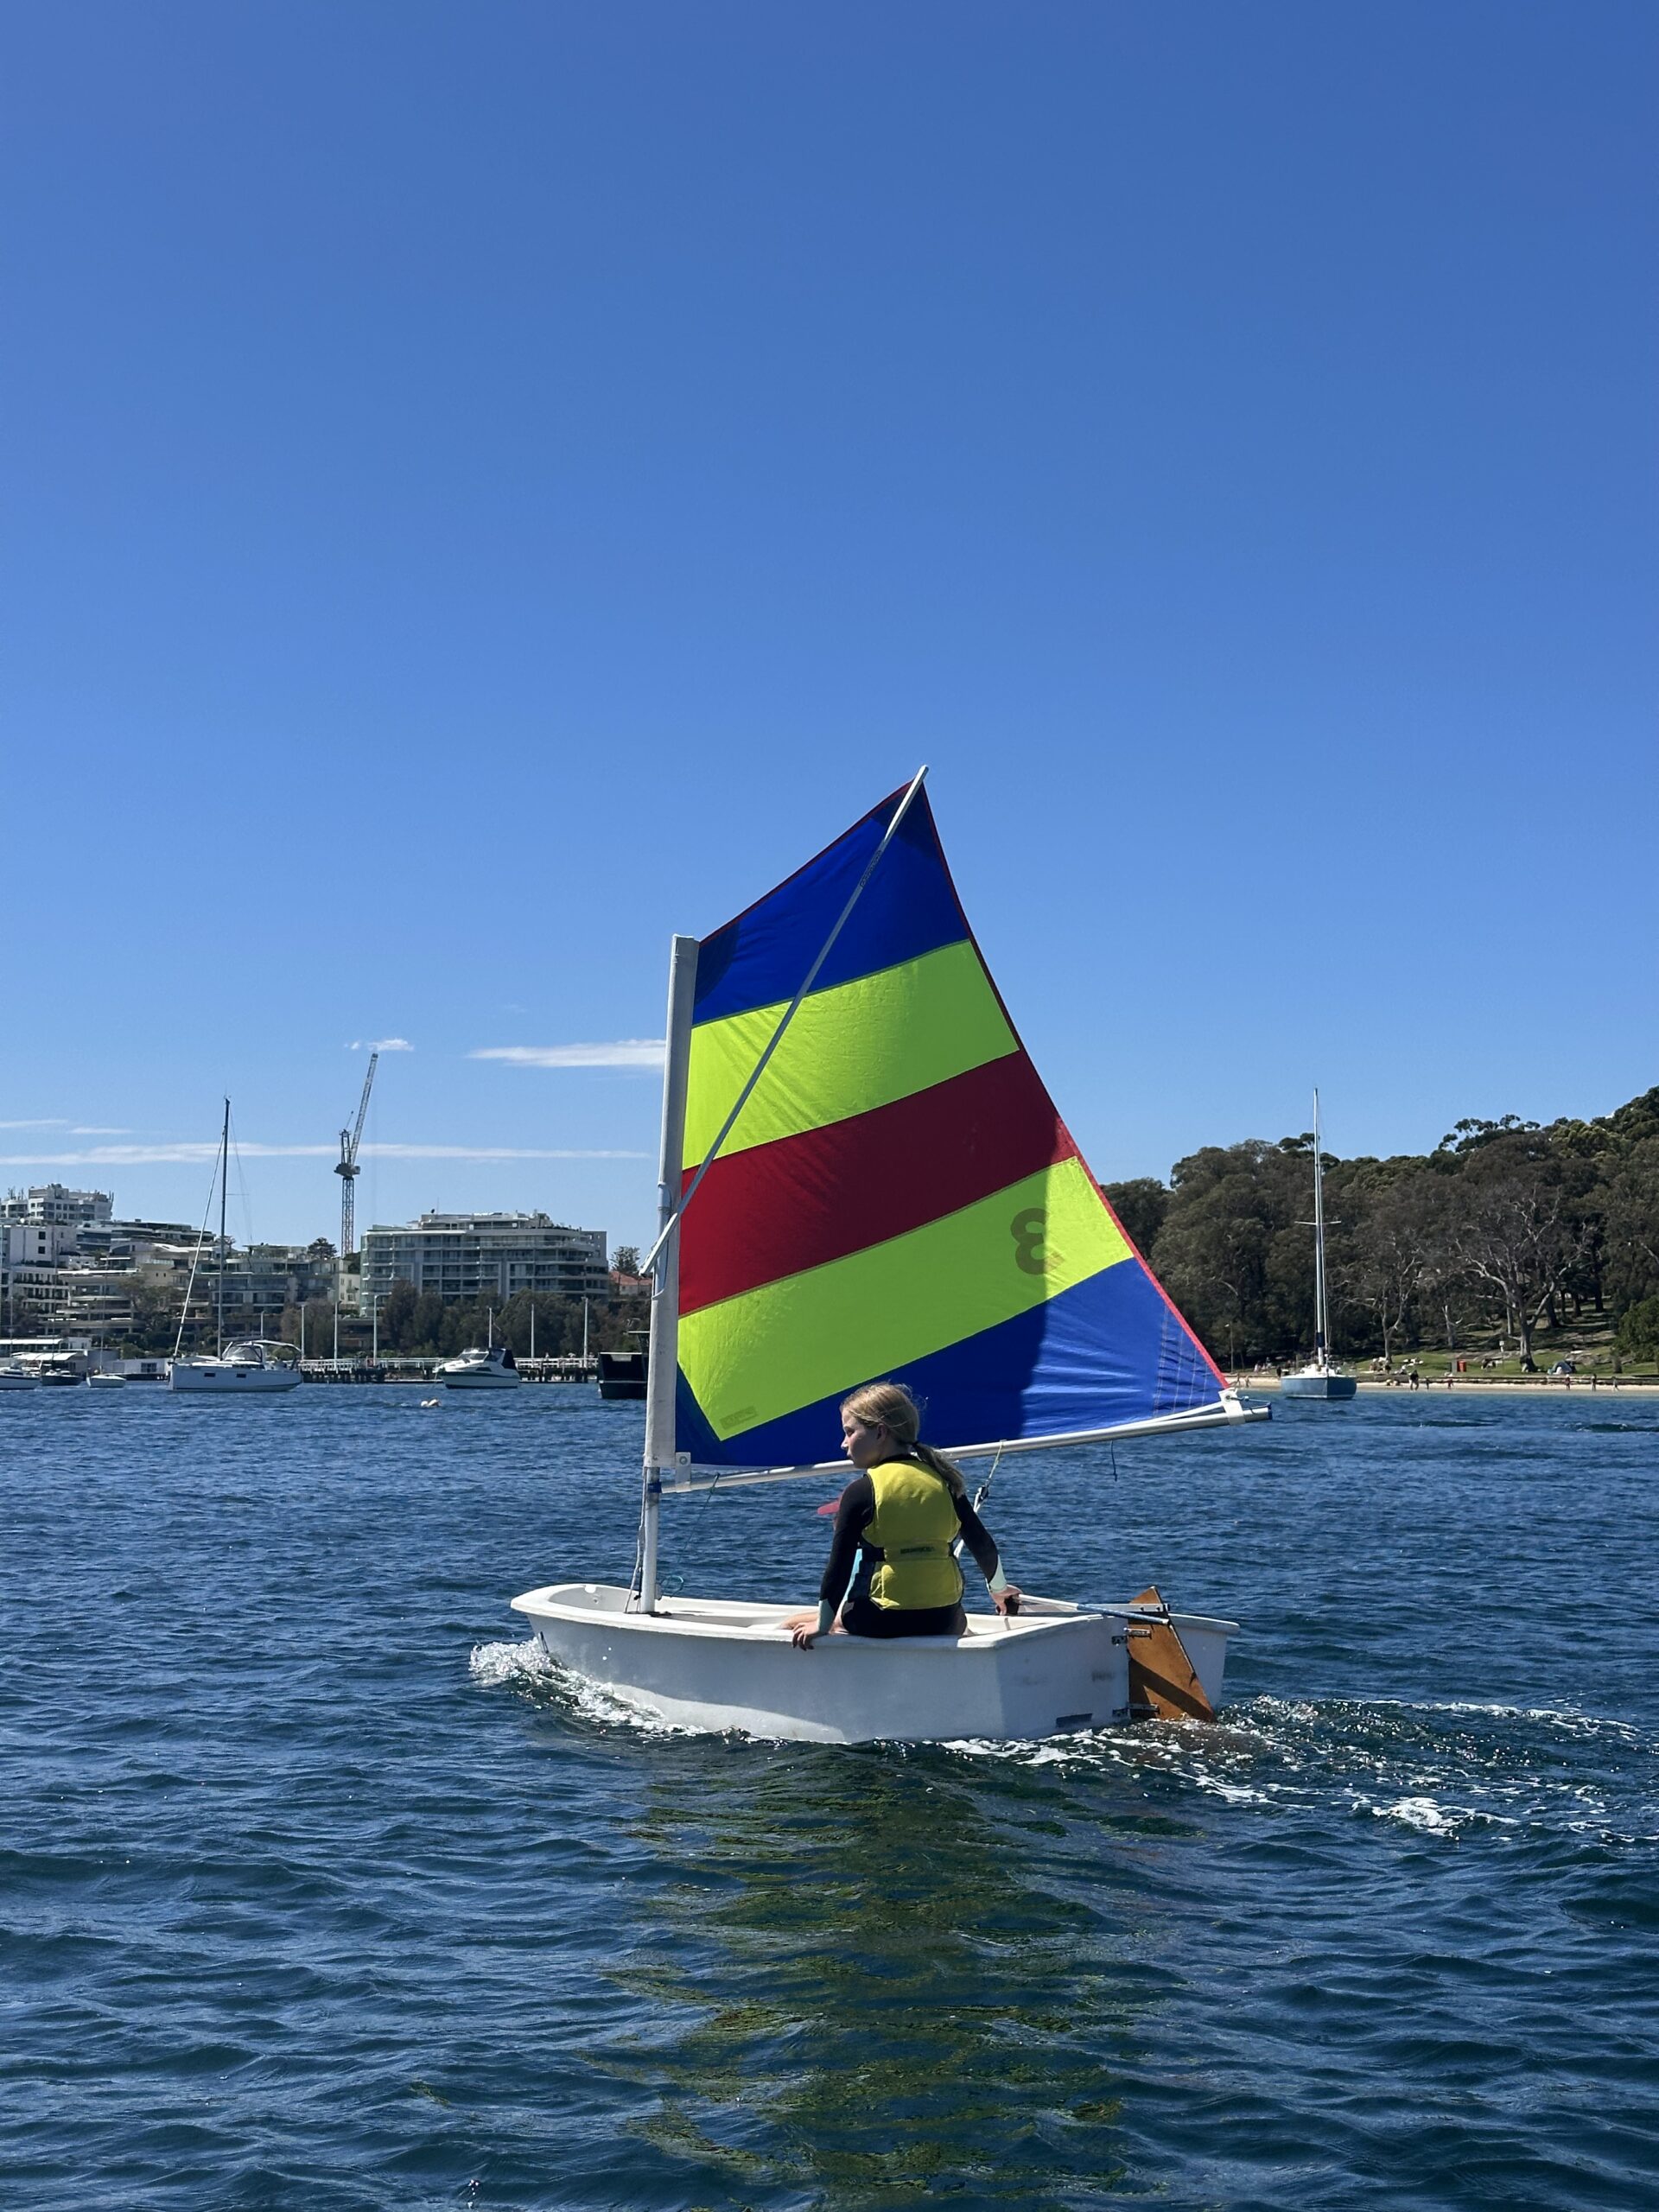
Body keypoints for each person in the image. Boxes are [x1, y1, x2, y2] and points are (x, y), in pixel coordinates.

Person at [782, 1381, 1020, 1649]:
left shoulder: (861, 1491)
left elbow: (839, 1568)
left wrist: (823, 1625)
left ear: (880, 1432)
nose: (843, 1443)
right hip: (945, 1620)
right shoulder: (944, 1481)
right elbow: (983, 1545)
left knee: (820, 1620)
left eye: (850, 1432)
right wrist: (999, 1591)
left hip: (880, 1620)